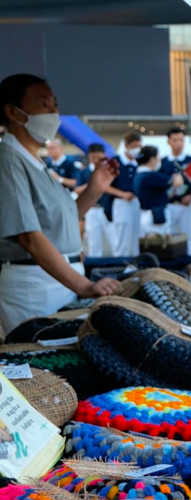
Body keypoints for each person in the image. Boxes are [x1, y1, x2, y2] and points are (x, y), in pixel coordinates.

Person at [0, 74, 121, 335]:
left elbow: (61, 220)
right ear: (12, 111)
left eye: (55, 104)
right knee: (42, 361)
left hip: (59, 279)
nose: (53, 112)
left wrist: (94, 189)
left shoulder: (36, 161)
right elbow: (29, 237)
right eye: (43, 104)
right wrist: (84, 286)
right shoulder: (9, 161)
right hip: (35, 284)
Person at [104, 131, 143, 257]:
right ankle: (120, 261)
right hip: (121, 203)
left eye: (139, 146)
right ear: (127, 146)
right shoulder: (115, 162)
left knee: (137, 235)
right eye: (135, 146)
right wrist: (122, 194)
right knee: (122, 235)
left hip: (136, 203)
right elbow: (105, 186)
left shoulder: (139, 163)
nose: (137, 150)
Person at [160, 127, 191, 255]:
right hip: (169, 205)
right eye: (175, 140)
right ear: (169, 142)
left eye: (181, 140)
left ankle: (189, 264)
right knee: (167, 236)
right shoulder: (163, 162)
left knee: (189, 237)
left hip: (187, 206)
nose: (178, 143)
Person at [134, 146, 185, 238]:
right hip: (154, 216)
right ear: (152, 159)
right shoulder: (150, 176)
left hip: (147, 214)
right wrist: (178, 176)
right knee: (157, 246)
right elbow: (176, 182)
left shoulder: (139, 175)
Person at [81, 143, 112, 258]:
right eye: (94, 157)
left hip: (107, 208)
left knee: (114, 240)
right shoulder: (85, 172)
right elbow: (77, 188)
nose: (96, 160)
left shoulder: (109, 170)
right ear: (89, 156)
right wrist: (92, 184)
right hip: (92, 209)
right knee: (94, 244)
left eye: (99, 157)